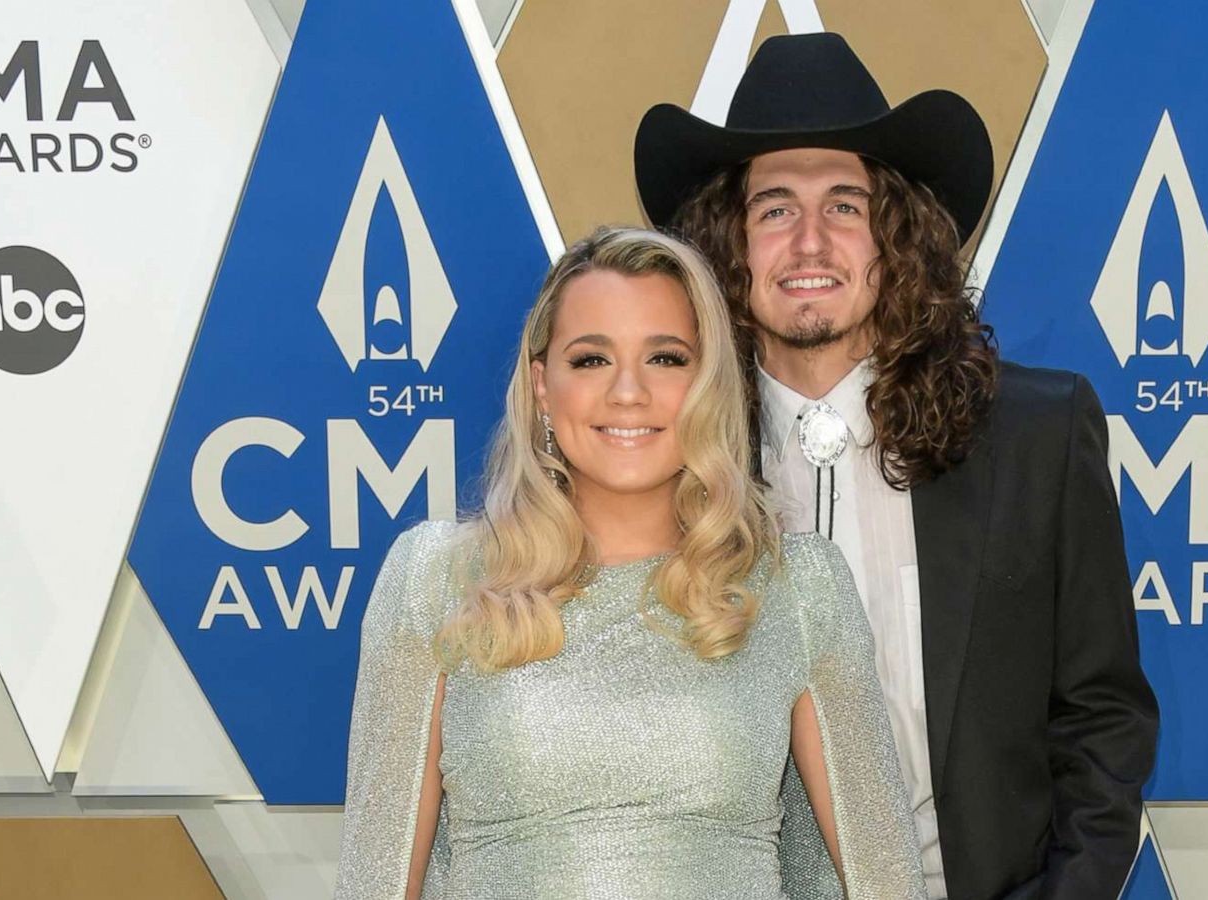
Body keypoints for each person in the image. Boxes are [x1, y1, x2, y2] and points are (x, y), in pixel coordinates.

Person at [635, 33, 1159, 900]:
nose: (809, 243)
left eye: (846, 205)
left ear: (899, 236)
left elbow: (1103, 717)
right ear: (727, 245)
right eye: (773, 209)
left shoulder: (1036, 432)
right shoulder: (664, 453)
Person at [334, 226, 926, 899]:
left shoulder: (796, 589)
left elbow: (887, 880)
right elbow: (375, 883)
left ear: (709, 383)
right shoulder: (433, 578)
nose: (627, 392)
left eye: (666, 359)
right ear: (541, 388)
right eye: (590, 360)